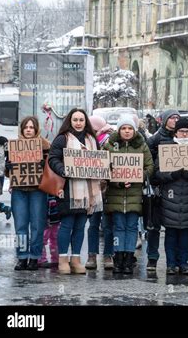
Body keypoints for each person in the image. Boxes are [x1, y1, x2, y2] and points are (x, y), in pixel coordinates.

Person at [48, 108, 103, 275]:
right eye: (75, 120)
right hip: (68, 188)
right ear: (70, 122)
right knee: (67, 225)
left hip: (88, 189)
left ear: (85, 121)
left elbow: (99, 160)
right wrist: (63, 170)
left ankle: (76, 259)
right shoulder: (62, 139)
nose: (78, 123)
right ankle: (63, 259)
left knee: (80, 225)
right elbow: (52, 159)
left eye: (81, 119)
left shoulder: (92, 140)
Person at [104, 115, 154, 274]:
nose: (127, 131)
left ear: (134, 130)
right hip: (115, 195)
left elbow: (149, 167)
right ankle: (118, 257)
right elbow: (103, 167)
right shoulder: (110, 145)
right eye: (124, 128)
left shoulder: (142, 146)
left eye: (130, 128)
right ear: (119, 130)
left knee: (132, 227)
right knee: (118, 226)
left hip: (134, 194)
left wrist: (135, 178)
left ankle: (128, 257)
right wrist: (117, 181)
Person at [154, 118, 188, 275]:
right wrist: (171, 175)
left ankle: (184, 263)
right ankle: (170, 264)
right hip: (170, 198)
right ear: (175, 132)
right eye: (181, 131)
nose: (184, 134)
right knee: (170, 234)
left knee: (185, 235)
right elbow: (157, 174)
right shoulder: (166, 149)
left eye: (187, 131)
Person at [7, 117, 50, 271]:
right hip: (19, 191)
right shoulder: (14, 146)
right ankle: (22, 257)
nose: (29, 130)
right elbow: (8, 173)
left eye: (32, 127)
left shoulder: (45, 146)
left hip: (38, 191)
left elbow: (52, 168)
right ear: (22, 129)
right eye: (26, 127)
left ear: (36, 129)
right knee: (20, 226)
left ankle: (35, 257)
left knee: (38, 225)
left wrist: (43, 164)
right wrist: (8, 167)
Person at [145, 109, 180, 271]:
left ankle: (174, 261)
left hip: (177, 188)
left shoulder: (182, 139)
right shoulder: (154, 140)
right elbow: (148, 163)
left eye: (177, 118)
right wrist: (155, 177)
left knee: (175, 226)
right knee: (154, 226)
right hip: (158, 188)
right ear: (165, 120)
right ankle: (152, 258)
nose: (175, 120)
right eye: (172, 118)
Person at [85, 115, 116, 270]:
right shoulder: (88, 142)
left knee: (108, 224)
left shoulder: (111, 141)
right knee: (93, 224)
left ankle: (108, 255)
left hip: (110, 189)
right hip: (94, 188)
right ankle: (92, 255)